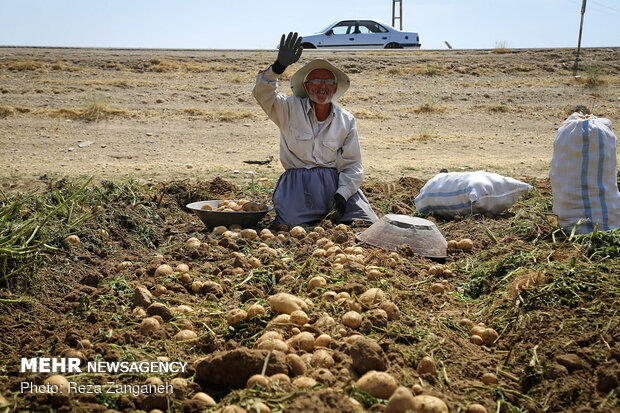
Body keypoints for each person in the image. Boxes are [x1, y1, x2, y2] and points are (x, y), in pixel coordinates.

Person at [252, 32, 378, 228]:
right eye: (316, 81)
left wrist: (342, 195)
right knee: (292, 226)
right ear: (306, 86)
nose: (322, 87)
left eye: (328, 82)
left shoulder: (346, 120)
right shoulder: (288, 108)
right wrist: (278, 67)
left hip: (334, 185)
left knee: (367, 224)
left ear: (335, 89)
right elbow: (262, 93)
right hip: (297, 184)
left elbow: (352, 164)